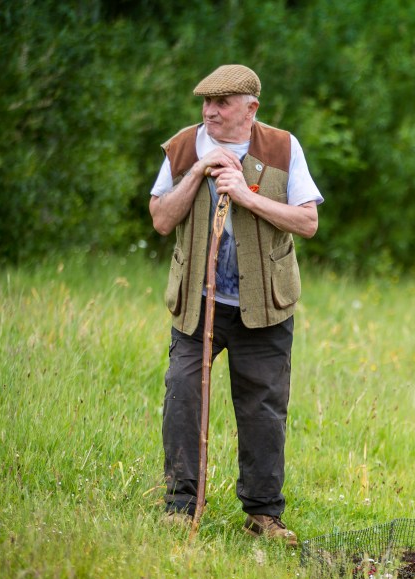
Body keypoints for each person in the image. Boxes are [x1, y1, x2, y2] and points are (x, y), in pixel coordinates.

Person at [149, 64, 322, 546]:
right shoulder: (185, 146)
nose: (209, 111)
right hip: (197, 301)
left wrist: (245, 196)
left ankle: (263, 514)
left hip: (264, 304)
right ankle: (181, 507)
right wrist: (199, 172)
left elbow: (307, 223)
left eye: (222, 103)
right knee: (183, 394)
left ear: (251, 108)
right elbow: (161, 219)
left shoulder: (282, 148)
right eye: (206, 102)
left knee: (263, 408)